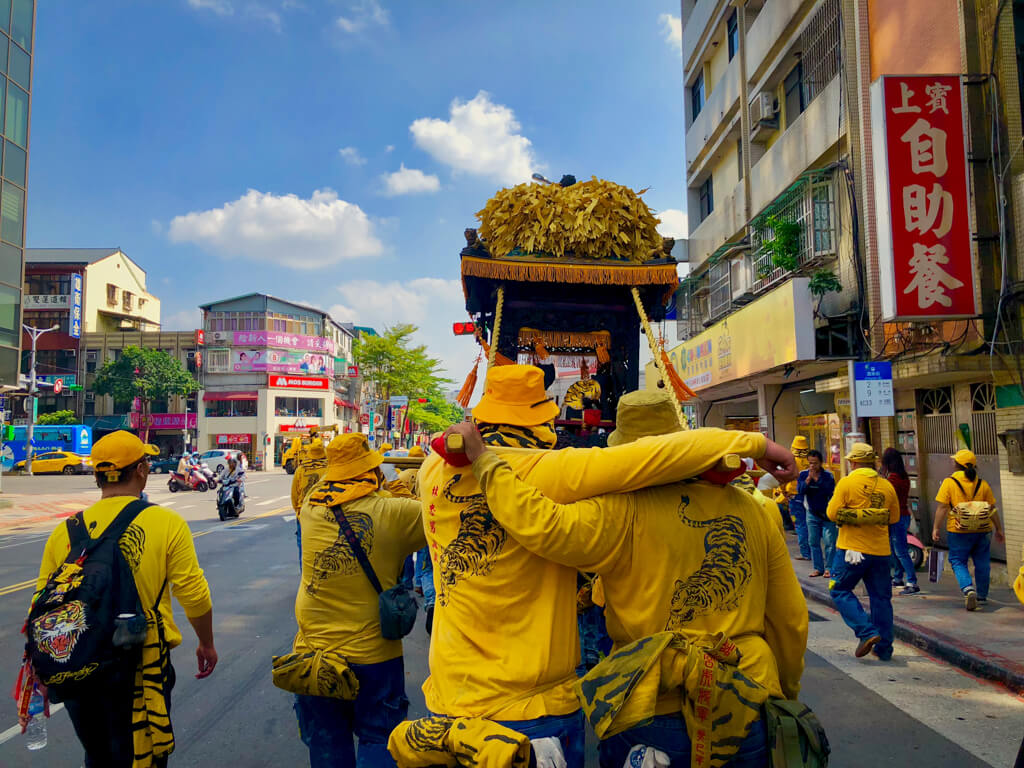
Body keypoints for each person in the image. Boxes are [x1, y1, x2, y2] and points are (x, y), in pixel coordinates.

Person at [397, 367, 796, 767]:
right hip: (735, 692)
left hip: (457, 694)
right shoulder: (757, 511)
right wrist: (756, 444)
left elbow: (552, 527)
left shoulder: (433, 467)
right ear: (543, 422)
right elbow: (790, 619)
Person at [32, 431, 217, 767]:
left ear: (98, 476)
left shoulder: (67, 529)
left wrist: (41, 671)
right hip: (140, 666)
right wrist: (206, 642)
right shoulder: (166, 522)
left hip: (78, 667)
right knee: (142, 755)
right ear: (143, 470)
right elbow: (193, 592)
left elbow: (42, 606)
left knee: (99, 756)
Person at [287, 433, 424, 767]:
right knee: (379, 740)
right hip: (373, 658)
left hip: (314, 654)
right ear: (373, 473)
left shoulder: (311, 506)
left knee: (326, 746)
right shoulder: (394, 512)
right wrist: (397, 486)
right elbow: (436, 515)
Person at [827, 443, 901, 660]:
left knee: (839, 590)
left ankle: (867, 631)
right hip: (880, 551)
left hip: (852, 550)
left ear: (853, 462)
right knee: (881, 598)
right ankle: (884, 649)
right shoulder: (887, 486)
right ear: (873, 461)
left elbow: (832, 513)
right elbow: (894, 518)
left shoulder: (847, 483)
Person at [932, 449, 1004, 611]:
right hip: (983, 529)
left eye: (954, 461)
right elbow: (992, 509)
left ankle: (968, 588)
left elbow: (942, 507)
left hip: (958, 530)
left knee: (957, 561)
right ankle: (982, 596)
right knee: (982, 562)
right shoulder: (982, 484)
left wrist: (936, 528)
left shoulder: (949, 483)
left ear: (957, 464)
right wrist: (999, 529)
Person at [881, 448, 918, 595]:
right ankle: (897, 578)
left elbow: (886, 496)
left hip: (897, 517)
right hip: (902, 515)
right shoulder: (904, 477)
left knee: (900, 550)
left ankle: (912, 581)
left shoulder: (893, 479)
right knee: (895, 549)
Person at [800, 449, 837, 578]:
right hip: (812, 513)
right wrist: (808, 480)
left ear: (820, 463)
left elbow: (829, 491)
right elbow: (800, 491)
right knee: (813, 541)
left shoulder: (828, 476)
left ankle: (829, 568)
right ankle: (818, 568)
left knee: (829, 542)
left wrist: (817, 479)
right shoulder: (804, 475)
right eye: (810, 463)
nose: (812, 466)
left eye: (815, 463)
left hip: (827, 513)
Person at [291, 438, 328, 556]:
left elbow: (294, 495)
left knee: (304, 549)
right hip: (324, 513)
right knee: (325, 546)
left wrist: (298, 511)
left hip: (304, 513)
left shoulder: (301, 470)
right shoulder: (329, 468)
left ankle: (304, 573)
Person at [787, 435, 812, 561]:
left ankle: (805, 553)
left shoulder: (791, 460)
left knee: (800, 524)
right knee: (811, 523)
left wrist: (782, 492)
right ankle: (814, 551)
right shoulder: (811, 460)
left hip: (794, 495)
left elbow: (784, 478)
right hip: (810, 495)